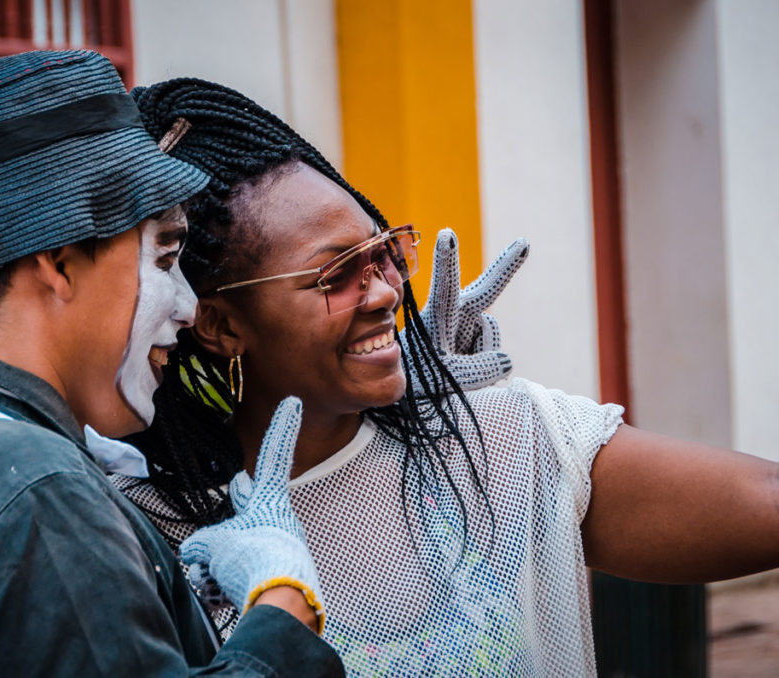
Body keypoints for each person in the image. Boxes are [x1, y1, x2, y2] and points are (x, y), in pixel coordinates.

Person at [113, 78, 779, 676]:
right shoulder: (166, 540)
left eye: (384, 253)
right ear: (220, 324)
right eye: (336, 274)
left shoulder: (491, 443)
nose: (383, 293)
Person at [0, 51, 345, 677]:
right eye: (162, 257)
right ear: (60, 260)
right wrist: (284, 603)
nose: (188, 305)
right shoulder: (29, 485)